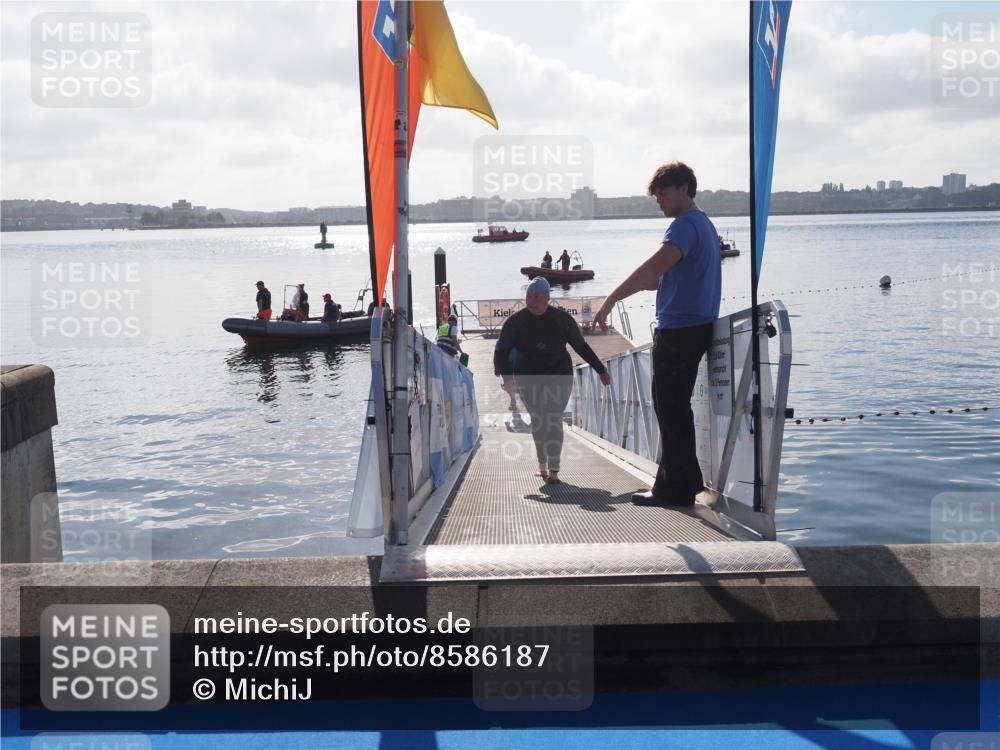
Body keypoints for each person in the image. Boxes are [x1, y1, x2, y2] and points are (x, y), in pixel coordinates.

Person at [594, 161, 721, 507]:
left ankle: (673, 489)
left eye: (663, 194)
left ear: (684, 189)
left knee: (670, 408)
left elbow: (651, 269)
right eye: (656, 197)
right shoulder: (704, 224)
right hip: (697, 326)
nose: (659, 201)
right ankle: (685, 482)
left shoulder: (684, 226)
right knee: (675, 408)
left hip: (680, 331)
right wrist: (660, 283)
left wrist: (610, 300)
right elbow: (665, 275)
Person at [494, 277, 611, 484]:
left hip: (559, 374)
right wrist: (508, 379)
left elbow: (581, 347)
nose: (532, 300)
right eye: (529, 296)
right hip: (528, 376)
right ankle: (542, 465)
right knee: (539, 420)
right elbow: (501, 352)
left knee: (554, 418)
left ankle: (554, 470)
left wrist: (600, 370)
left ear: (547, 298)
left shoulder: (562, 320)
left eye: (537, 296)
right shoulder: (515, 322)